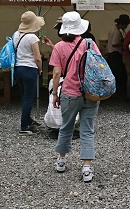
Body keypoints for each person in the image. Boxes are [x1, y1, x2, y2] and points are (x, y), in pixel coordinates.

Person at [50, 11, 102, 183]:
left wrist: (55, 94)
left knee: (66, 127)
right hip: (90, 92)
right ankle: (87, 168)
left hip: (70, 93)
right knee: (87, 129)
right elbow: (100, 64)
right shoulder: (89, 43)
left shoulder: (58, 47)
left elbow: (57, 73)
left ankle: (61, 161)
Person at [13, 11, 44, 136]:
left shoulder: (16, 35)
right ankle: (24, 126)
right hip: (29, 68)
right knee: (28, 98)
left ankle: (28, 120)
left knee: (24, 96)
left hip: (18, 68)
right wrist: (40, 68)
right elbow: (37, 58)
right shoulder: (32, 38)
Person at [107, 14, 130, 97]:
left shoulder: (112, 28)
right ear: (122, 24)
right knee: (118, 74)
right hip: (115, 54)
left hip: (111, 53)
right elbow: (114, 44)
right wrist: (123, 43)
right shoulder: (116, 32)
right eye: (126, 25)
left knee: (115, 73)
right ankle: (117, 92)